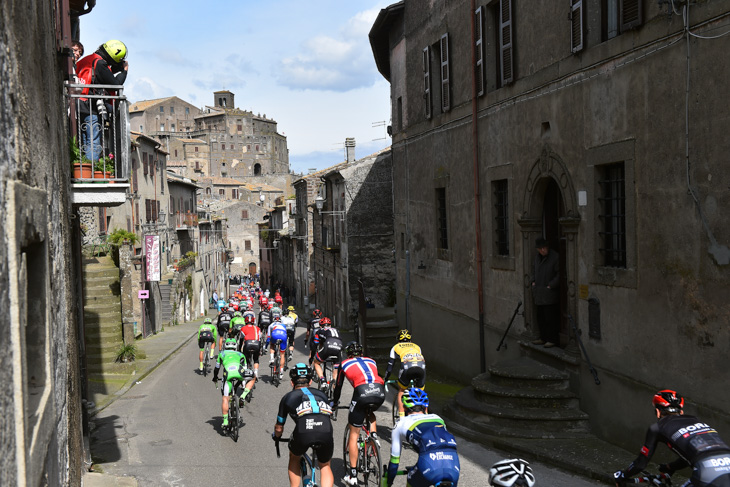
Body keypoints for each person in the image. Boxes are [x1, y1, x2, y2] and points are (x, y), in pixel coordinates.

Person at [613, 390, 730, 487]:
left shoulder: (657, 427)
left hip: (707, 469)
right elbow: (694, 453)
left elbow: (640, 464)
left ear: (658, 412)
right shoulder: (697, 421)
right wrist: (671, 467)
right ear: (682, 412)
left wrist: (623, 475)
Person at [332, 341, 386, 486]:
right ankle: (373, 438)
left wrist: (335, 403)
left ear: (348, 354)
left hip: (362, 392)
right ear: (361, 353)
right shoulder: (371, 360)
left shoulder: (344, 364)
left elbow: (338, 387)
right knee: (370, 411)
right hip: (379, 391)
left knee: (354, 432)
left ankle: (353, 475)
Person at [273, 363, 335, 487]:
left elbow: (279, 427)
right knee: (325, 465)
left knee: (294, 457)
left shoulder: (288, 397)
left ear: (292, 383)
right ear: (311, 381)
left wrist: (277, 437)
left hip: (304, 431)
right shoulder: (322, 395)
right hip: (325, 429)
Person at [386, 388, 460, 487]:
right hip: (453, 464)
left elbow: (394, 463)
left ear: (403, 408)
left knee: (412, 479)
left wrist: (389, 481)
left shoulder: (400, 424)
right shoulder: (438, 419)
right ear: (425, 408)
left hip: (429, 464)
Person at [75, 40, 128, 161]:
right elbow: (115, 84)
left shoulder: (88, 59)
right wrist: (124, 71)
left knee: (85, 141)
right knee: (93, 142)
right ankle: (91, 173)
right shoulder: (100, 63)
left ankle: (85, 169)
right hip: (90, 107)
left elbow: (101, 76)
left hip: (78, 103)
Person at [383, 329, 426, 420]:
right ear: (410, 340)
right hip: (421, 367)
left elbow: (390, 367)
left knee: (402, 390)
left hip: (407, 367)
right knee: (421, 392)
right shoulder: (417, 347)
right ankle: (425, 415)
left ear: (398, 340)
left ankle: (402, 418)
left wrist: (386, 378)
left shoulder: (395, 347)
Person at [212, 338, 255, 428]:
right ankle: (243, 395)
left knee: (225, 398)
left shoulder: (222, 354)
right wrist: (243, 383)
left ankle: (225, 421)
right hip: (239, 371)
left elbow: (216, 368)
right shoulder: (240, 354)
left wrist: (215, 377)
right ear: (235, 346)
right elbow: (245, 368)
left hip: (228, 373)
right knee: (253, 377)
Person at [530, 237, 560, 348]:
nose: (543, 250)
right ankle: (543, 338)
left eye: (544, 247)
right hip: (538, 292)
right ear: (538, 249)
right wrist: (532, 281)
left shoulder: (555, 257)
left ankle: (552, 339)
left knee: (550, 318)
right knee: (540, 317)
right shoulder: (537, 258)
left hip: (549, 293)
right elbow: (533, 270)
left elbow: (559, 274)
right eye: (541, 248)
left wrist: (551, 285)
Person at [312, 317, 343, 387]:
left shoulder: (320, 330)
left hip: (328, 347)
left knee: (316, 363)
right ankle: (334, 383)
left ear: (320, 326)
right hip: (339, 347)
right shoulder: (337, 330)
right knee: (336, 366)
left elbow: (315, 343)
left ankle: (323, 381)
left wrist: (313, 355)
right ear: (330, 325)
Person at [241, 315, 262, 380]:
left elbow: (241, 339)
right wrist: (260, 350)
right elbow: (260, 338)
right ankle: (256, 373)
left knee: (245, 358)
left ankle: (245, 372)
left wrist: (239, 350)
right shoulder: (257, 328)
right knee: (256, 359)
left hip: (248, 344)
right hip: (256, 344)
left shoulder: (243, 328)